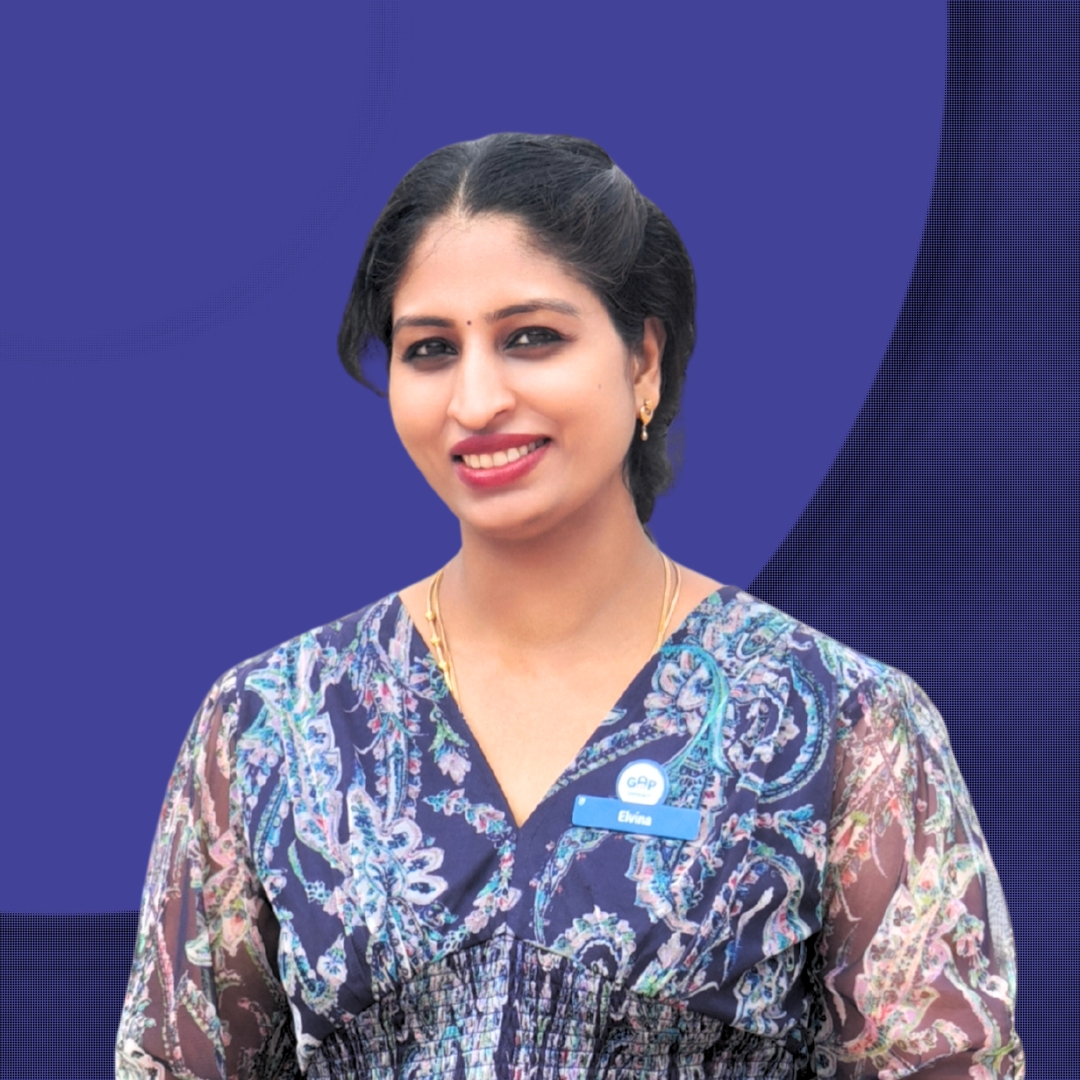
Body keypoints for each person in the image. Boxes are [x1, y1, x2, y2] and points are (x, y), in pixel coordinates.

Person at [116, 133, 1024, 1079]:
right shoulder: (271, 725)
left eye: (531, 339)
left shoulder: (841, 724)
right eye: (429, 350)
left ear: (644, 361)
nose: (476, 398)